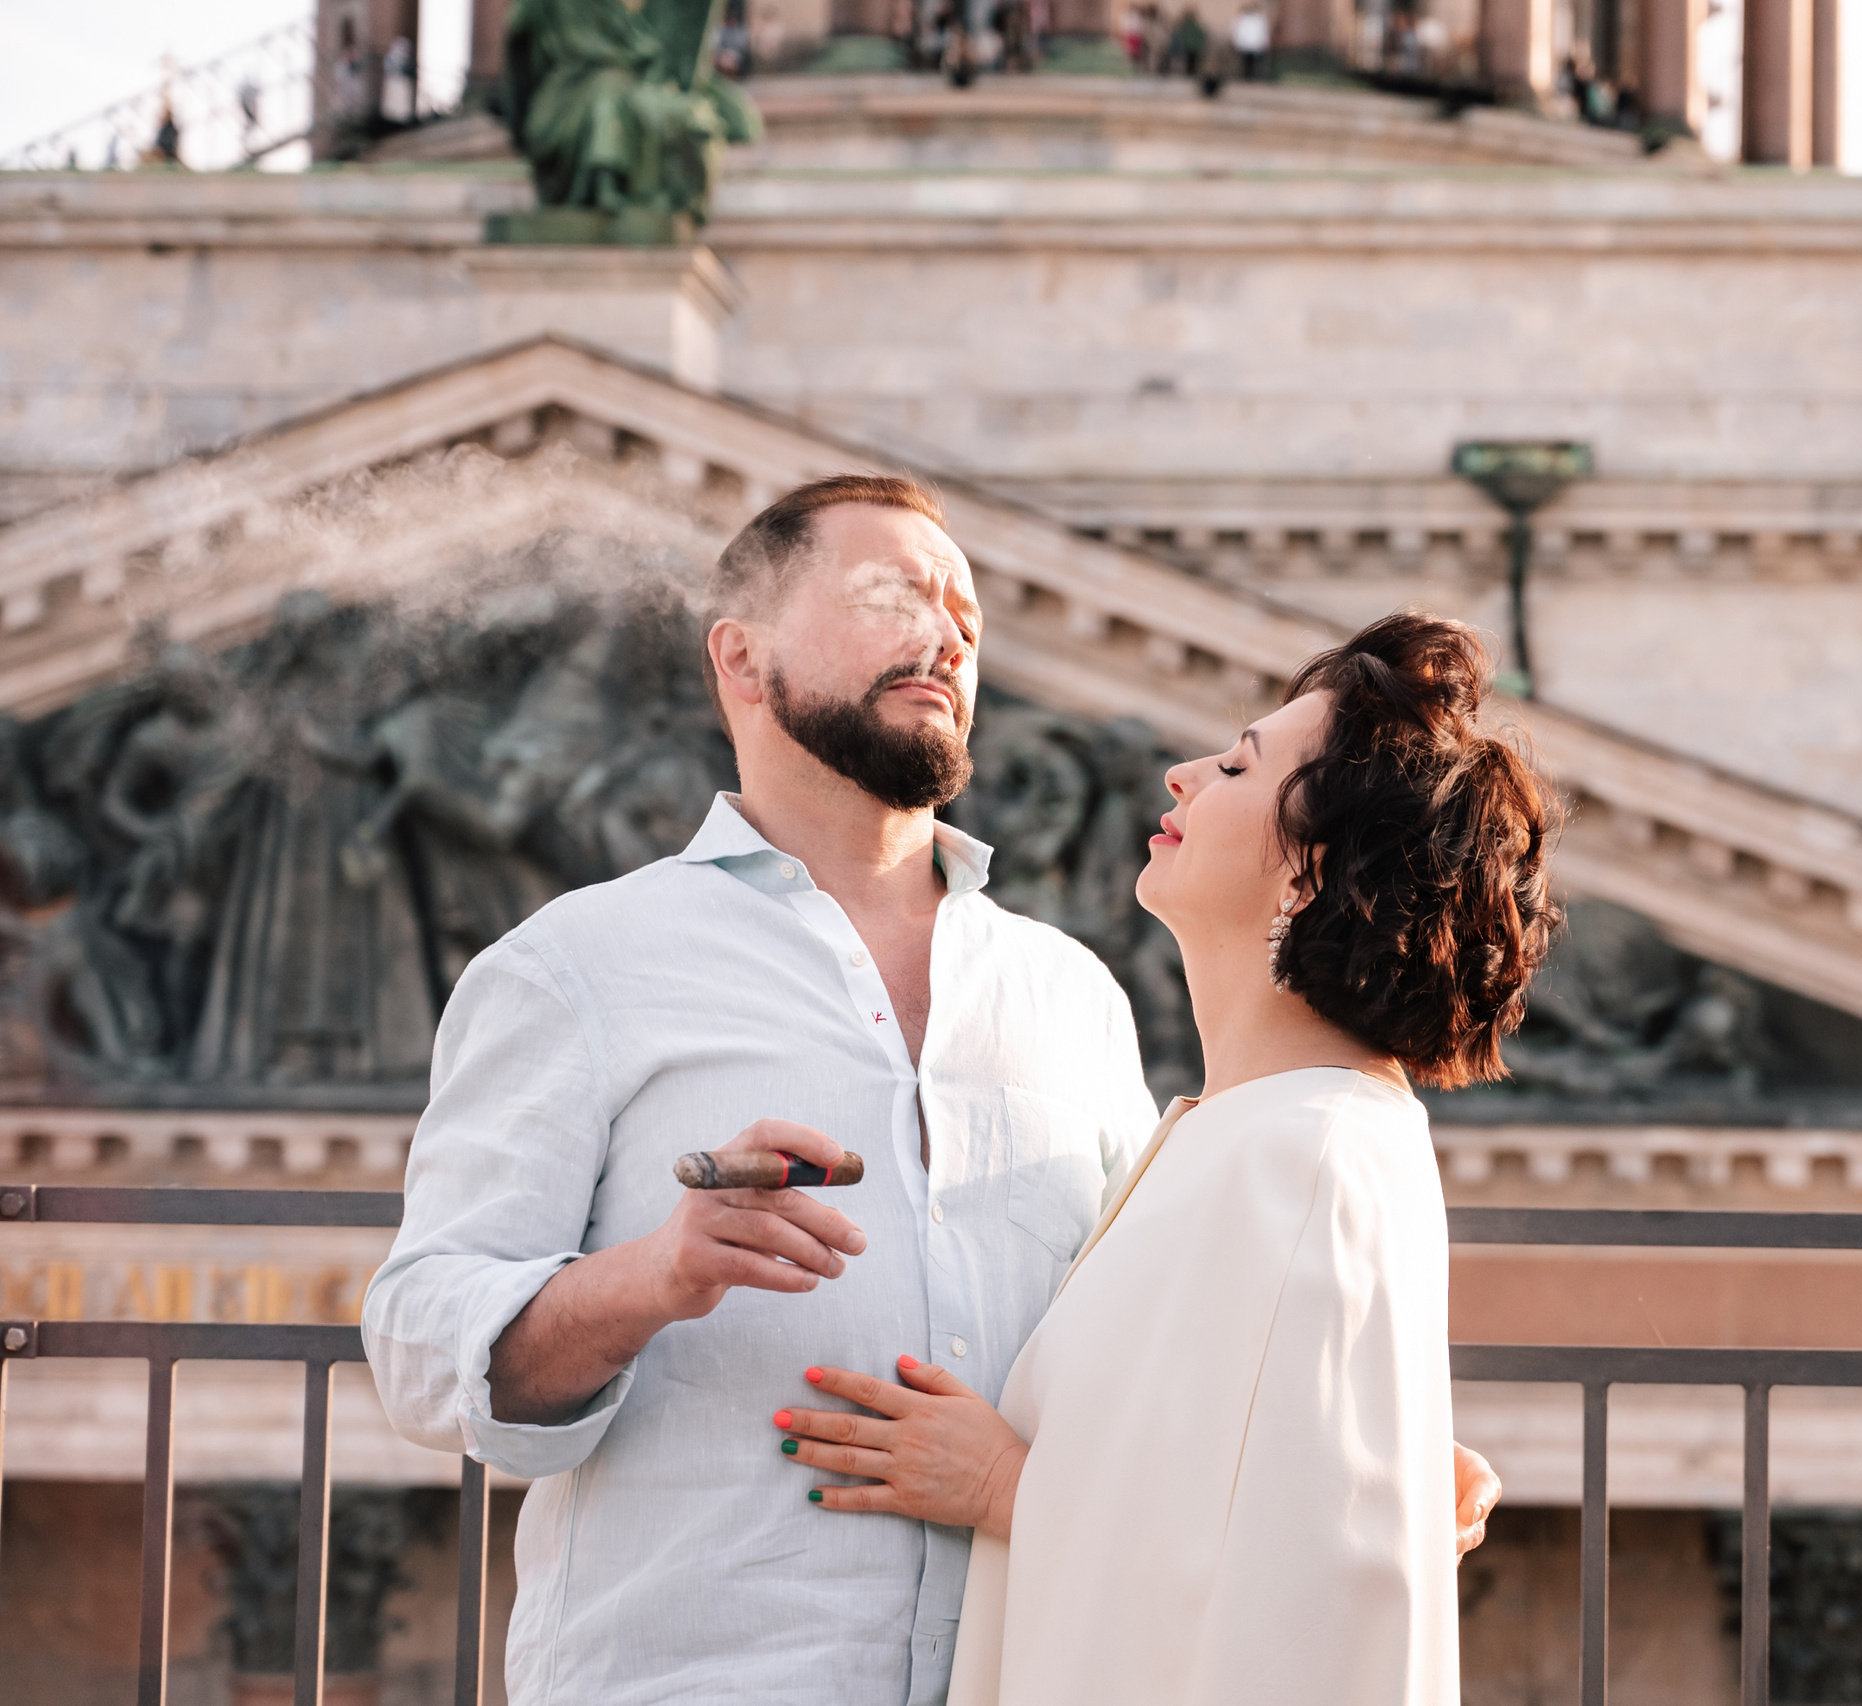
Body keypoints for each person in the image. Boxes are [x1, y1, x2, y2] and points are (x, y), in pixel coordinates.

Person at [363, 478, 1500, 1704]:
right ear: (742, 657)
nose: (949, 632)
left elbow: (1144, 1341)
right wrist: (661, 1272)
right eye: (893, 593)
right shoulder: (572, 967)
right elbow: (425, 1349)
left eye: (966, 609)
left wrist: (1322, 1454)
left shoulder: (1072, 997)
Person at [782, 612, 1559, 1705]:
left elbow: (1315, 1582)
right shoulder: (1241, 1133)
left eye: (1240, 763)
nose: (1184, 771)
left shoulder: (1310, 1150)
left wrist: (1011, 1486)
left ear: (1309, 866)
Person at [1231, 0, 1270, 78]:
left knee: (1252, 63)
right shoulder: (1243, 19)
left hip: (1253, 44)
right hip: (1248, 44)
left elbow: (1262, 32)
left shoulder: (1258, 20)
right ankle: (1247, 76)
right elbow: (1236, 31)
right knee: (1247, 62)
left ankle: (1251, 76)